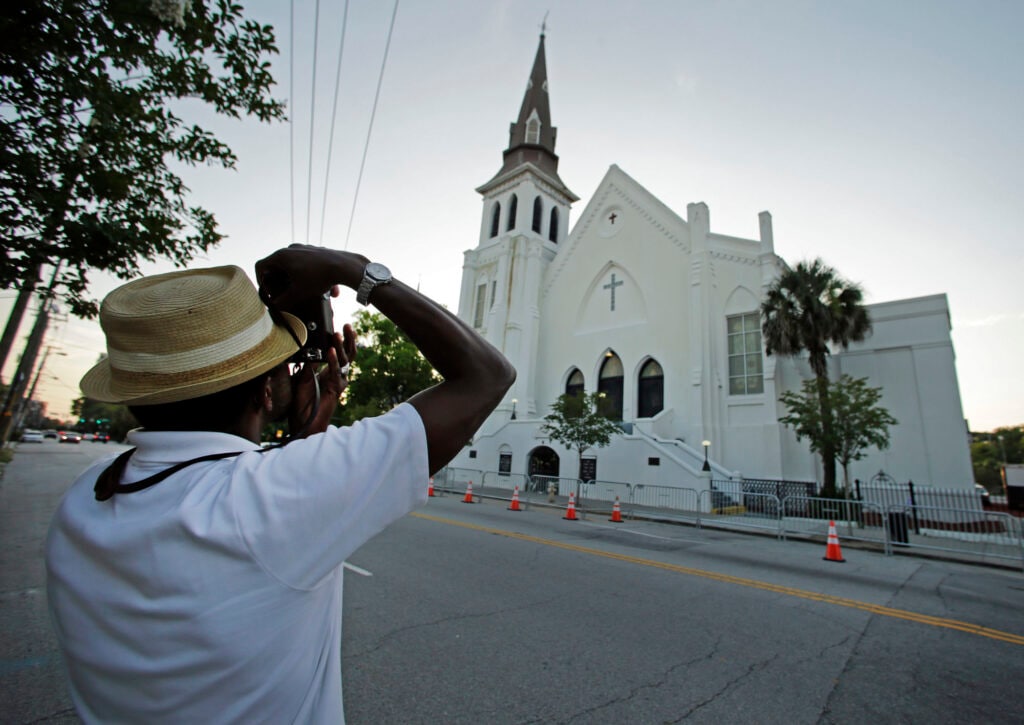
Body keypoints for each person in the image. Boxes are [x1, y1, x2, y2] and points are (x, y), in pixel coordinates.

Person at [45, 245, 515, 723]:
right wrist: (353, 270)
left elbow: (244, 494)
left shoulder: (86, 495)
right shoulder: (262, 498)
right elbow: (487, 376)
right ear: (266, 391)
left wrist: (303, 434)